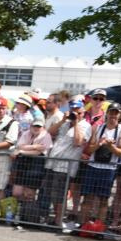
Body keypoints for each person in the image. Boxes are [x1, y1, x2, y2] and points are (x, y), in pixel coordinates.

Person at [44, 96, 91, 231]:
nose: (74, 112)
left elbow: (78, 142)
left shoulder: (85, 126)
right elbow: (49, 133)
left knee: (60, 194)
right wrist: (64, 120)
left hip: (65, 166)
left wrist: (75, 124)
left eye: (77, 110)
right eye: (73, 109)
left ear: (82, 111)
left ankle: (59, 220)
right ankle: (56, 218)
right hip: (52, 162)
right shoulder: (65, 122)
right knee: (52, 193)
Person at [79, 103, 121, 226]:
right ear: (107, 113)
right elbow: (89, 150)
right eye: (111, 112)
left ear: (120, 115)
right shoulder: (98, 128)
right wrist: (99, 144)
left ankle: (99, 227)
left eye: (116, 113)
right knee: (87, 198)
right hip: (93, 166)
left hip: (109, 169)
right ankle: (82, 225)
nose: (113, 115)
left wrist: (111, 146)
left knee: (103, 199)